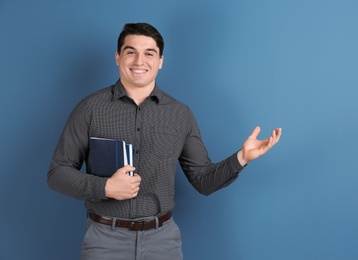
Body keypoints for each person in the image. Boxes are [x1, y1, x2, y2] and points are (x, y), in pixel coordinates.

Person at [47, 23, 282, 260]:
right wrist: (105, 187)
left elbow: (203, 181)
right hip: (105, 241)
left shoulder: (181, 114)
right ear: (118, 57)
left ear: (160, 60)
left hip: (162, 243)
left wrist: (242, 158)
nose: (139, 61)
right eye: (131, 52)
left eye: (149, 53)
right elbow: (57, 173)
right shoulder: (89, 109)